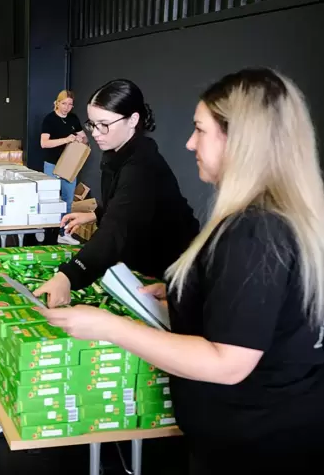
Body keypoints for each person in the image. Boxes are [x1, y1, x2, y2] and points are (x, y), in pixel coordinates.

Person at [37, 68, 324, 474]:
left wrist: (106, 325)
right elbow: (265, 311)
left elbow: (228, 362)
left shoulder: (255, 230)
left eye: (200, 131)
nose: (189, 143)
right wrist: (191, 292)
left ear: (241, 141)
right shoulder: (266, 219)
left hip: (257, 444)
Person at [35, 79, 198, 295]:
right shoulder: (117, 153)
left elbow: (117, 229)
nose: (94, 132)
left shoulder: (142, 164)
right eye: (92, 124)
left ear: (133, 120)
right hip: (141, 261)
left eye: (104, 124)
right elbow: (126, 204)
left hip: (168, 267)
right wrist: (95, 214)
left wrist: (69, 275)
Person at [40, 90, 88, 213]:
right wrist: (66, 139)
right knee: (51, 198)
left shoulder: (73, 118)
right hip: (52, 164)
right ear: (57, 103)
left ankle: (65, 230)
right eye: (64, 103)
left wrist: (80, 139)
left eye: (70, 104)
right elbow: (44, 143)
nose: (67, 107)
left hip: (69, 165)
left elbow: (85, 139)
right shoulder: (49, 119)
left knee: (68, 199)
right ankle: (51, 229)